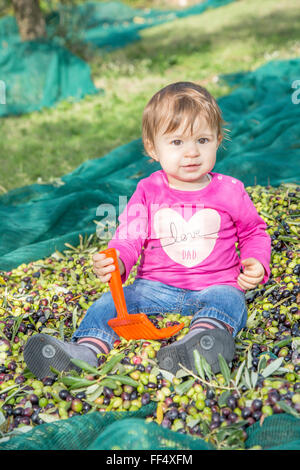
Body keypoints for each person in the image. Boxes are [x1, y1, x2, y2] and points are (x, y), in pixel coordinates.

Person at [24, 81, 271, 379]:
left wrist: (257, 261)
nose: (191, 152)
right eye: (177, 142)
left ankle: (202, 340)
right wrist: (116, 260)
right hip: (154, 288)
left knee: (230, 301)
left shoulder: (230, 191)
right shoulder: (148, 190)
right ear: (153, 148)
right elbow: (130, 235)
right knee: (112, 302)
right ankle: (85, 349)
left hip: (216, 283)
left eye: (202, 140)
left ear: (218, 139)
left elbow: (254, 231)